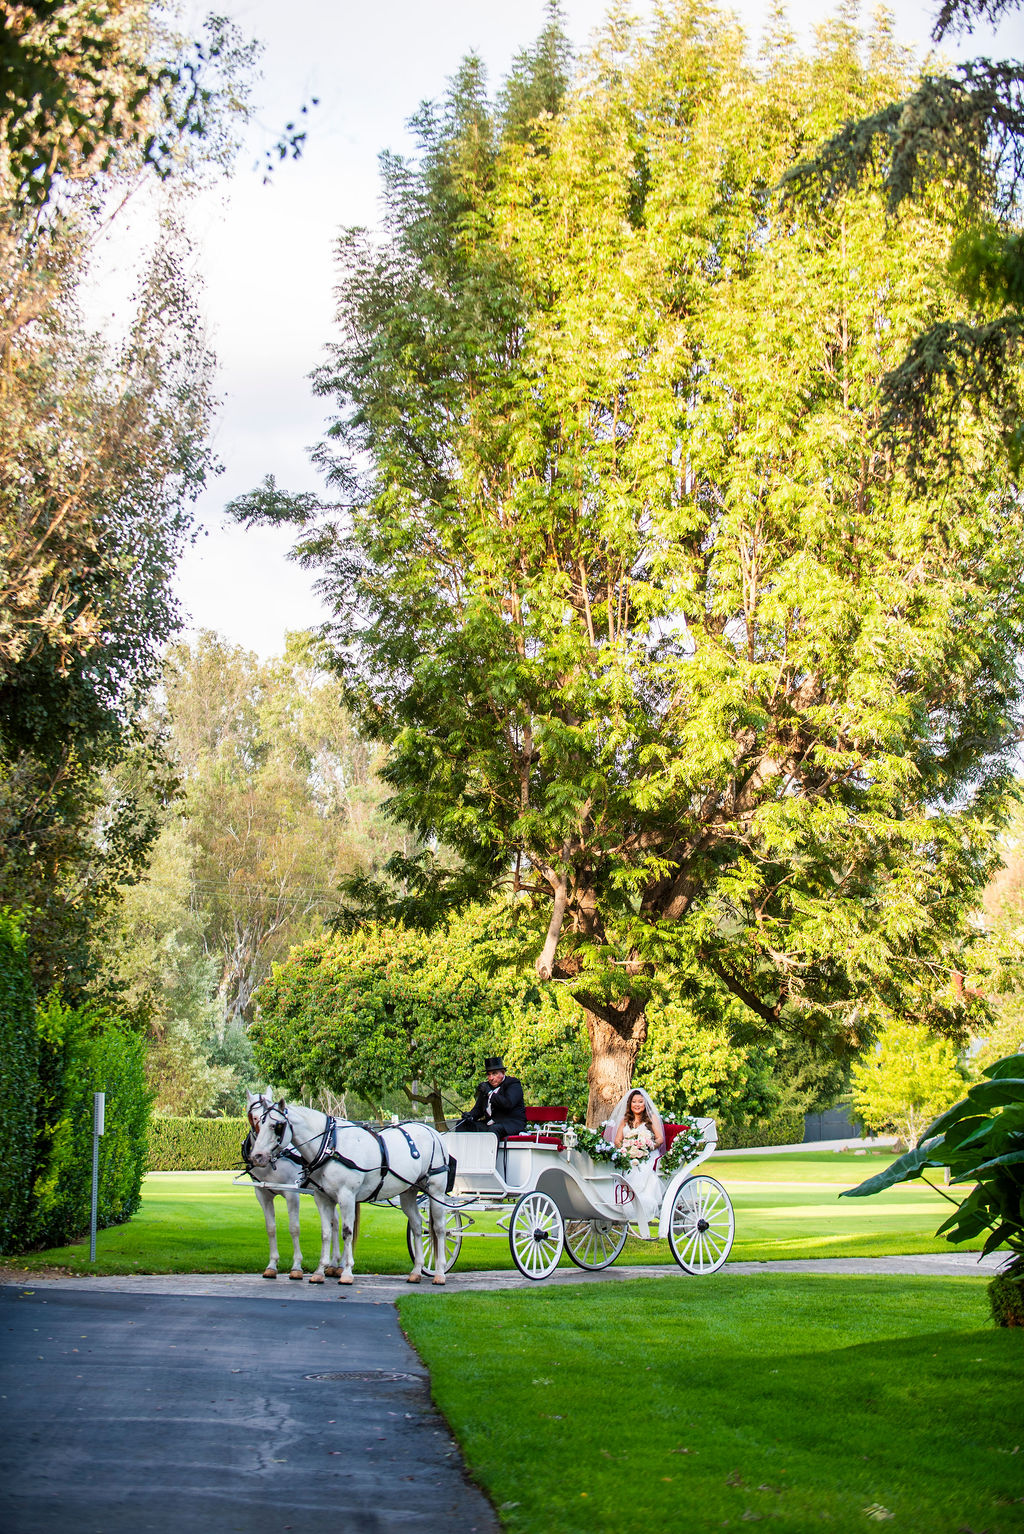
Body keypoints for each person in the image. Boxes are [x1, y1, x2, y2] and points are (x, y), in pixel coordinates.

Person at [604, 1086, 666, 1232]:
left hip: (647, 1155)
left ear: (645, 1104)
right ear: (630, 1104)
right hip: (628, 1155)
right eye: (634, 1102)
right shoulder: (625, 1120)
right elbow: (617, 1140)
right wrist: (625, 1148)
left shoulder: (651, 1118)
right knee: (623, 1168)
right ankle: (621, 1202)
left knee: (640, 1170)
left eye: (640, 1102)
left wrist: (648, 1145)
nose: (637, 1105)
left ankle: (640, 1204)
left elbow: (660, 1138)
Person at [456, 1056, 527, 1139]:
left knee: (493, 1129)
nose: (491, 1078)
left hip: (511, 1124)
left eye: (494, 1073)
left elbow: (508, 1104)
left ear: (503, 1073)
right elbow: (478, 1109)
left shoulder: (513, 1084)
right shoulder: (486, 1086)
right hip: (489, 1124)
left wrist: (490, 1093)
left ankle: (489, 1148)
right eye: (488, 1074)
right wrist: (470, 1116)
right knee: (462, 1124)